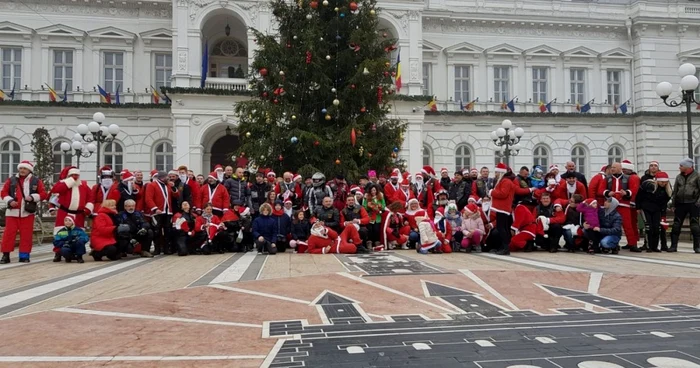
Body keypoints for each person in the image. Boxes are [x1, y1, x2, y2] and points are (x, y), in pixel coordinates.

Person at [1, 160, 48, 264]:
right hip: (12, 212)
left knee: (26, 235)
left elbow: (44, 194)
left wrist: (32, 197)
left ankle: (24, 256)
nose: (22, 170)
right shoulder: (11, 180)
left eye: (24, 168)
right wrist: (10, 200)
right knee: (8, 235)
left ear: (29, 170)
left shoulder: (36, 181)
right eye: (21, 168)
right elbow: (3, 192)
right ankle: (5, 255)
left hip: (27, 213)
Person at [600, 162, 641, 252]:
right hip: (611, 205)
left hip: (624, 204)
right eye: (611, 167)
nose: (612, 169)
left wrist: (626, 192)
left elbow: (634, 189)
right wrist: (607, 192)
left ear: (620, 168)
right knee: (610, 225)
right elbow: (601, 190)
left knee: (628, 225)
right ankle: (613, 244)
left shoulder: (628, 178)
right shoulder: (607, 179)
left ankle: (632, 244)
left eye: (614, 167)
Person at [50, 166, 93, 236]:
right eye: (72, 175)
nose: (74, 177)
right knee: (62, 236)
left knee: (78, 237)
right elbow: (55, 192)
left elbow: (91, 197)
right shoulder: (63, 184)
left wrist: (88, 208)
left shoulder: (84, 186)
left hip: (79, 216)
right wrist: (68, 182)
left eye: (76, 175)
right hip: (64, 214)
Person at [637, 171, 672, 253]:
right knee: (649, 227)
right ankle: (648, 246)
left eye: (665, 182)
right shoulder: (648, 185)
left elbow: (664, 204)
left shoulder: (667, 190)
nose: (663, 184)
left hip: (657, 210)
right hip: (646, 208)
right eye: (662, 182)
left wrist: (663, 215)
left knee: (657, 228)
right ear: (657, 181)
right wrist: (638, 207)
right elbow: (639, 195)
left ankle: (655, 246)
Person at [145, 171, 179, 255]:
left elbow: (176, 196)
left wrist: (174, 188)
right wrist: (155, 208)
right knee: (157, 231)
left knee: (167, 230)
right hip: (157, 212)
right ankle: (157, 249)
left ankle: (166, 248)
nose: (168, 178)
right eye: (166, 177)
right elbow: (148, 198)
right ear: (161, 178)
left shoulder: (168, 185)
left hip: (168, 211)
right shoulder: (152, 185)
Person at [671, 158, 700, 253]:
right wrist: (673, 204)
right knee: (676, 225)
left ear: (687, 167)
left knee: (695, 226)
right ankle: (673, 246)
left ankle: (697, 247)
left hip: (693, 203)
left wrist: (698, 202)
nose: (679, 167)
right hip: (680, 204)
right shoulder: (679, 177)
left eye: (681, 166)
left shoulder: (697, 176)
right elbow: (675, 191)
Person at [490, 163, 516, 255]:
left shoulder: (505, 181)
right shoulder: (505, 181)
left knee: (501, 228)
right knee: (503, 228)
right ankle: (503, 246)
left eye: (497, 172)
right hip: (502, 207)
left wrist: (492, 192)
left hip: (502, 207)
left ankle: (505, 247)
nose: (495, 174)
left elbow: (503, 194)